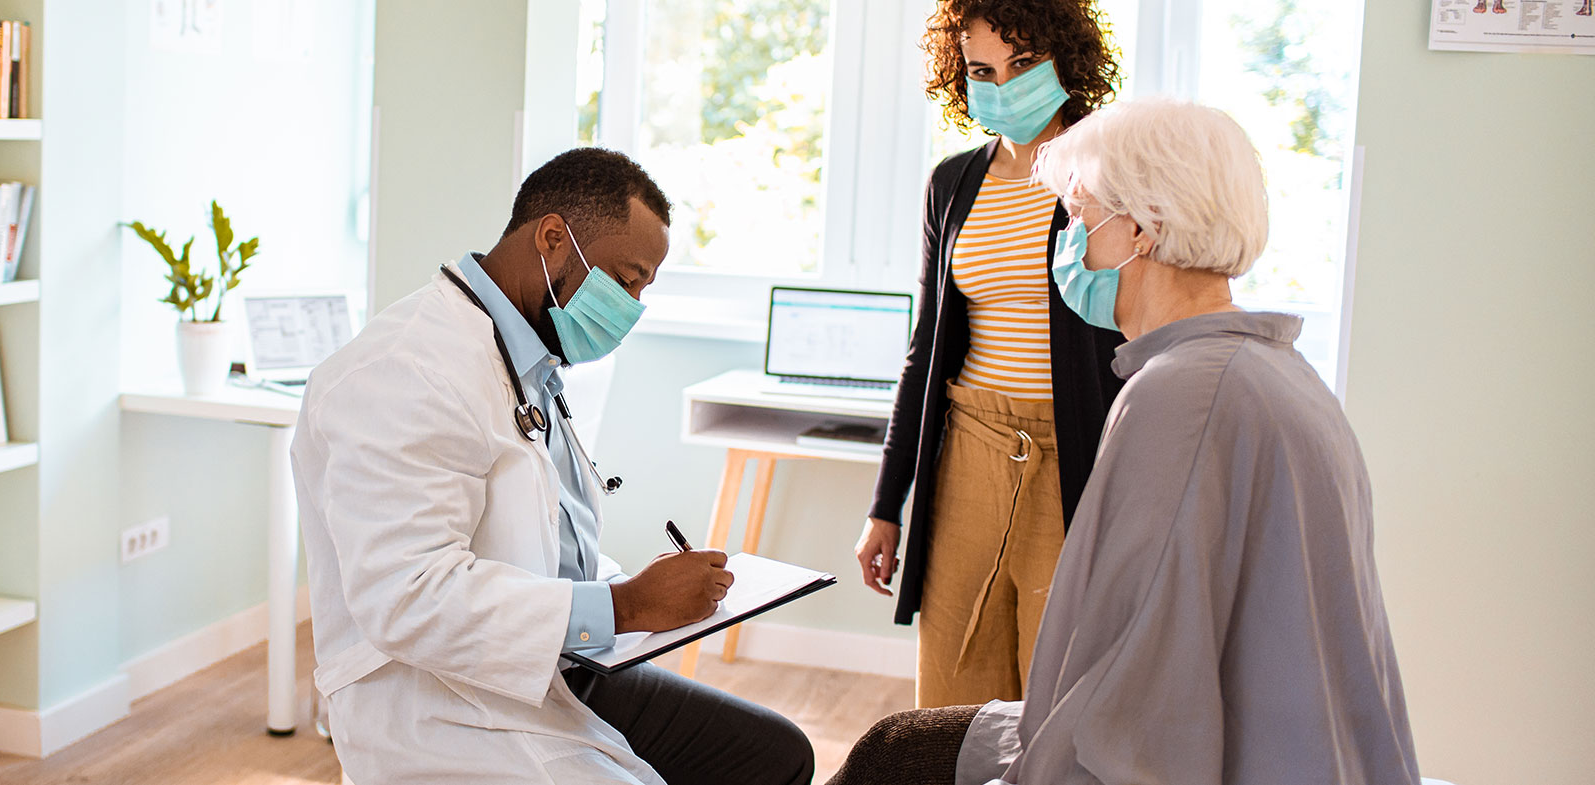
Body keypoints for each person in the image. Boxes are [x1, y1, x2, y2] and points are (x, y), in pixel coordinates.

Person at [828, 98, 1421, 785]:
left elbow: (1136, 698)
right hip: (1279, 745)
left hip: (1204, 750)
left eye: (1078, 217)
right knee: (900, 739)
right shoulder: (1278, 371)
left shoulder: (1181, 396)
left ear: (1140, 229)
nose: (1068, 243)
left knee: (892, 756)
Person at [289, 148, 814, 785]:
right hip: (438, 699)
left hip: (556, 664)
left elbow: (543, 538)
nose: (632, 307)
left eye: (644, 288)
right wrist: (624, 607)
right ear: (554, 238)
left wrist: (636, 592)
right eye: (625, 280)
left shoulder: (525, 355)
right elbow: (408, 598)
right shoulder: (407, 370)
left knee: (776, 755)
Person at [854, 0, 1126, 710]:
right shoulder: (952, 185)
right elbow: (926, 350)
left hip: (1075, 458)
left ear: (1068, 58)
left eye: (1025, 63)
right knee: (953, 681)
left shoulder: (1111, 175)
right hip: (968, 451)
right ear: (959, 77)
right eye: (982, 70)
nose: (1003, 85)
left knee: (1058, 686)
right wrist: (887, 505)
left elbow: (1140, 335)